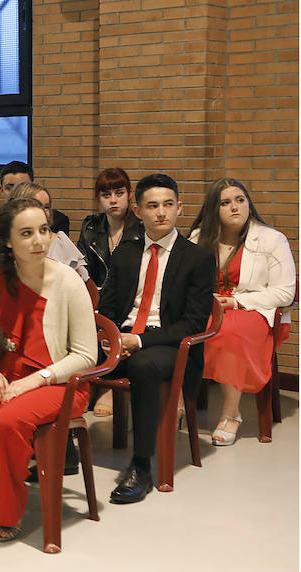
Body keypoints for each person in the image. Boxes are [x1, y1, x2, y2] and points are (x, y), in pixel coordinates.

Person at [0, 197, 96, 542]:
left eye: (44, 230)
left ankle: (9, 509)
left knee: (8, 422)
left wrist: (34, 381)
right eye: (27, 233)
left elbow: (87, 355)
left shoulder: (68, 280)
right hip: (8, 377)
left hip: (60, 383)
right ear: (8, 241)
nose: (39, 240)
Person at [98, 173, 215, 504]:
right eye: (152, 206)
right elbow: (106, 307)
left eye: (168, 205)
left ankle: (141, 466)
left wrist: (139, 342)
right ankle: (61, 453)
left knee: (145, 366)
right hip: (122, 338)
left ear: (180, 207)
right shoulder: (125, 253)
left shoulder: (198, 258)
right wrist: (108, 336)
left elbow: (192, 324)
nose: (161, 213)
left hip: (168, 345)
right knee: (64, 351)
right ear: (138, 210)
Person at [187, 178, 295, 445]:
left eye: (240, 200)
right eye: (225, 202)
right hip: (209, 307)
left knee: (229, 331)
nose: (235, 207)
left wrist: (237, 303)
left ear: (249, 203)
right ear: (214, 209)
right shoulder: (199, 237)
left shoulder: (272, 239)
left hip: (254, 311)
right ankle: (178, 405)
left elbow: (286, 293)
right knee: (177, 327)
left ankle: (231, 414)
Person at [78, 168, 144, 418]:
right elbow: (82, 270)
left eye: (119, 193)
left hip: (130, 301)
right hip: (97, 300)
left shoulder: (141, 228)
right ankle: (88, 384)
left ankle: (109, 388)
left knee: (119, 326)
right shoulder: (91, 226)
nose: (113, 200)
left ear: (129, 195)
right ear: (99, 199)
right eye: (106, 194)